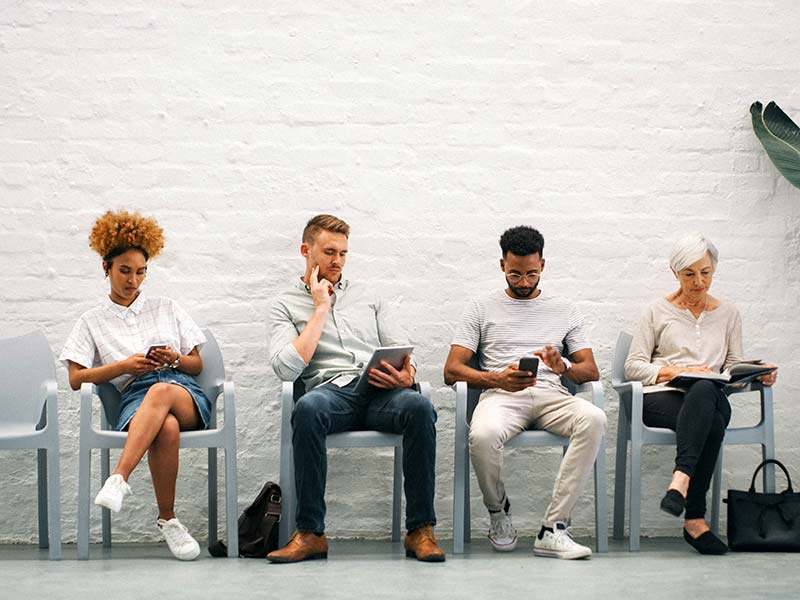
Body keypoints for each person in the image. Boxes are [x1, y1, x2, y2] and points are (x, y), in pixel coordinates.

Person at [267, 214, 444, 563]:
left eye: (343, 253)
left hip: (380, 391)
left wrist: (406, 376)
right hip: (331, 394)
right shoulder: (284, 304)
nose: (337, 261)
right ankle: (311, 533)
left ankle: (420, 531)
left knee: (420, 406)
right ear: (306, 250)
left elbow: (402, 348)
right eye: (329, 251)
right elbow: (286, 369)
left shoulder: (369, 296)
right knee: (307, 408)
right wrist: (320, 308)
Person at [443, 225, 605, 560]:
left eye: (531, 274)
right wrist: (496, 378)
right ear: (502, 265)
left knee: (595, 418)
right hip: (501, 395)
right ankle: (498, 512)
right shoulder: (480, 308)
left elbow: (590, 370)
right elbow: (452, 370)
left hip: (551, 394)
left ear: (543, 266)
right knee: (483, 435)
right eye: (515, 274)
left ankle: (554, 528)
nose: (523, 282)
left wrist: (563, 368)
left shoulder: (565, 308)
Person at [60, 210, 210, 561]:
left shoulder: (166, 306)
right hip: (137, 400)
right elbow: (74, 378)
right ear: (106, 268)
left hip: (183, 390)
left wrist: (172, 358)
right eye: (124, 271)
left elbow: (197, 364)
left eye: (140, 272)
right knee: (166, 427)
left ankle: (118, 479)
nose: (133, 280)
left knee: (163, 394)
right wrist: (124, 366)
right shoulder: (91, 320)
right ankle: (169, 521)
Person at [625, 232, 778, 555]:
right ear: (674, 273)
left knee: (708, 392)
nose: (698, 282)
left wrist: (757, 371)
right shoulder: (656, 311)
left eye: (705, 273)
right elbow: (633, 367)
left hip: (707, 398)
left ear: (714, 270)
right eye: (689, 274)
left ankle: (680, 483)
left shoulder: (728, 313)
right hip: (661, 397)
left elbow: (732, 367)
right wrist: (676, 372)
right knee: (711, 409)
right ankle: (694, 519)